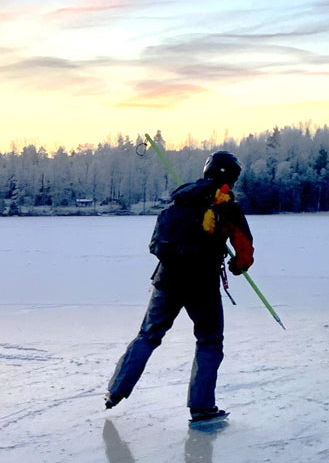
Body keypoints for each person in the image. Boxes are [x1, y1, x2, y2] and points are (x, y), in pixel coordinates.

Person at [104, 151, 254, 424]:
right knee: (209, 342)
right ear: (232, 177)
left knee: (147, 336)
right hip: (203, 286)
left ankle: (115, 391)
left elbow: (158, 242)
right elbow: (244, 250)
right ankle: (202, 408)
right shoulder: (227, 206)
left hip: (167, 280)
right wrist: (239, 266)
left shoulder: (183, 198)